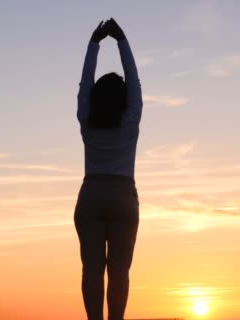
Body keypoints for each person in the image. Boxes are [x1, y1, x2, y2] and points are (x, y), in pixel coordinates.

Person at [74, 18, 143, 320]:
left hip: (91, 195)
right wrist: (121, 40)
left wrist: (95, 43)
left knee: (92, 269)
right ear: (124, 99)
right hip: (122, 197)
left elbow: (84, 84)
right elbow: (135, 82)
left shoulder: (87, 120)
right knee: (119, 271)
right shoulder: (130, 121)